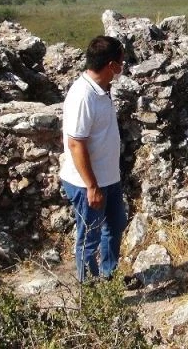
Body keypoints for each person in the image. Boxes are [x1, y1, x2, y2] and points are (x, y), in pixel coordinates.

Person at [59, 35, 128, 282]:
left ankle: (109, 278)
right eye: (121, 62)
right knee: (89, 237)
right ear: (111, 65)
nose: (123, 67)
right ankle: (89, 292)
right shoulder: (83, 96)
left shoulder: (101, 89)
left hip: (108, 178)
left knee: (115, 225)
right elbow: (75, 143)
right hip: (87, 183)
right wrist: (92, 186)